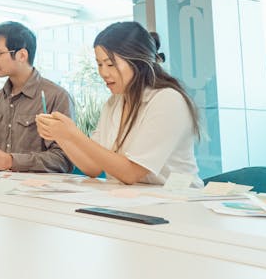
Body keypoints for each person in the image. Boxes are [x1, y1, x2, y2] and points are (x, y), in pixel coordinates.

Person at [35, 21, 202, 186]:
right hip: (132, 200)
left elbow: (131, 173)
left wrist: (73, 134)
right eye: (99, 64)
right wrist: (61, 136)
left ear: (138, 61)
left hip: (176, 203)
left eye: (110, 64)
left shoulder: (168, 100)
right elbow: (92, 167)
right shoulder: (114, 103)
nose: (103, 72)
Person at [0, 22, 74, 173]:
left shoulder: (56, 97)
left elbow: (63, 159)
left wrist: (11, 161)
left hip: (36, 192)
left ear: (22, 55)